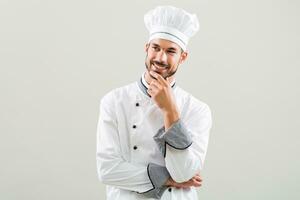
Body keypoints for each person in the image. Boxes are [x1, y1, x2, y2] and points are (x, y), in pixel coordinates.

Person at [96, 5, 212, 200]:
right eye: (156, 48)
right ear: (146, 48)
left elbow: (184, 173)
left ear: (183, 57)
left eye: (171, 51)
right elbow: (107, 170)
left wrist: (170, 112)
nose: (160, 58)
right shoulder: (114, 101)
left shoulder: (198, 110)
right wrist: (166, 178)